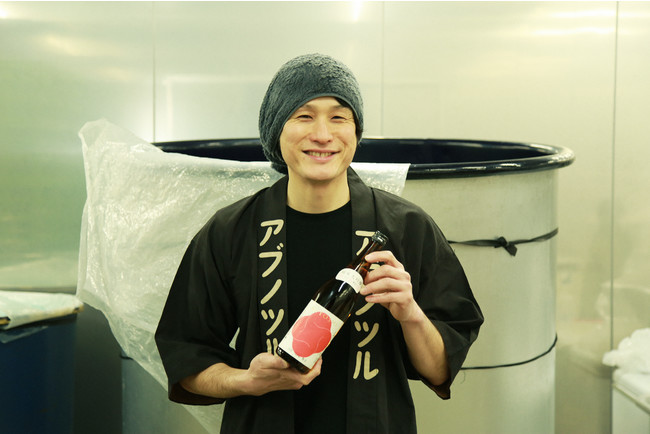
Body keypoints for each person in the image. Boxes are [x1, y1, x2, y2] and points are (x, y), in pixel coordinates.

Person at [155, 53, 483, 434]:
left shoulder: (407, 228)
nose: (323, 135)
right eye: (304, 116)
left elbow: (441, 369)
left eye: (339, 117)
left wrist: (410, 313)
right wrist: (247, 380)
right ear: (276, 132)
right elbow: (187, 359)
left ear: (356, 132)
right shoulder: (231, 231)